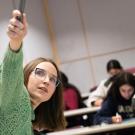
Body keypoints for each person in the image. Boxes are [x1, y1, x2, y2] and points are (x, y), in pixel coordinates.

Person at [0, 10, 66, 135]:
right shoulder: (17, 97)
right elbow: (11, 70)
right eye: (40, 73)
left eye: (53, 79)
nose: (47, 81)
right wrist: (16, 41)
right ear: (26, 75)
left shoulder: (31, 123)